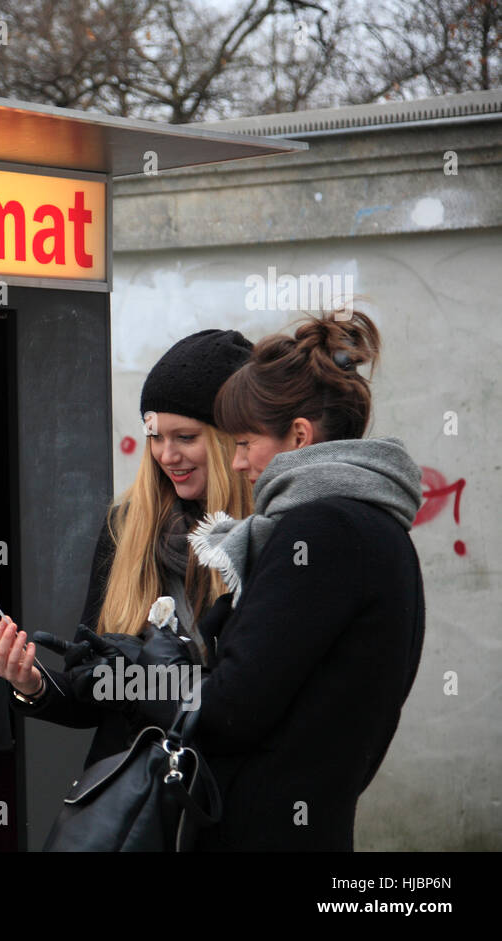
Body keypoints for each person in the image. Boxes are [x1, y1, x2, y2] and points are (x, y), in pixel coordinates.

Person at [167, 309, 424, 850]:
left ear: (299, 436)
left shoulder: (321, 530)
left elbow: (233, 707)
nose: (236, 463)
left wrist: (155, 681)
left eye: (243, 443)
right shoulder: (379, 527)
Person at [0, 330, 254, 767]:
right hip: (137, 803)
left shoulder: (267, 534)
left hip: (226, 793)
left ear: (232, 440)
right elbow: (91, 697)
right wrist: (32, 684)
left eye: (185, 437)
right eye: (154, 436)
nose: (167, 455)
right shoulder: (126, 525)